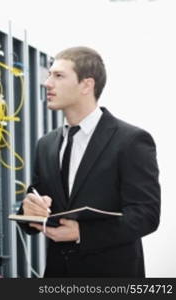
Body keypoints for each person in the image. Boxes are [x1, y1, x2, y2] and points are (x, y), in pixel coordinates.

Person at [18, 46, 160, 277]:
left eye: (59, 76)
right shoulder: (46, 144)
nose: (47, 83)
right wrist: (28, 208)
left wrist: (82, 233)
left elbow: (146, 215)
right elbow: (37, 200)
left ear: (87, 85)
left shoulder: (131, 141)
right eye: (50, 75)